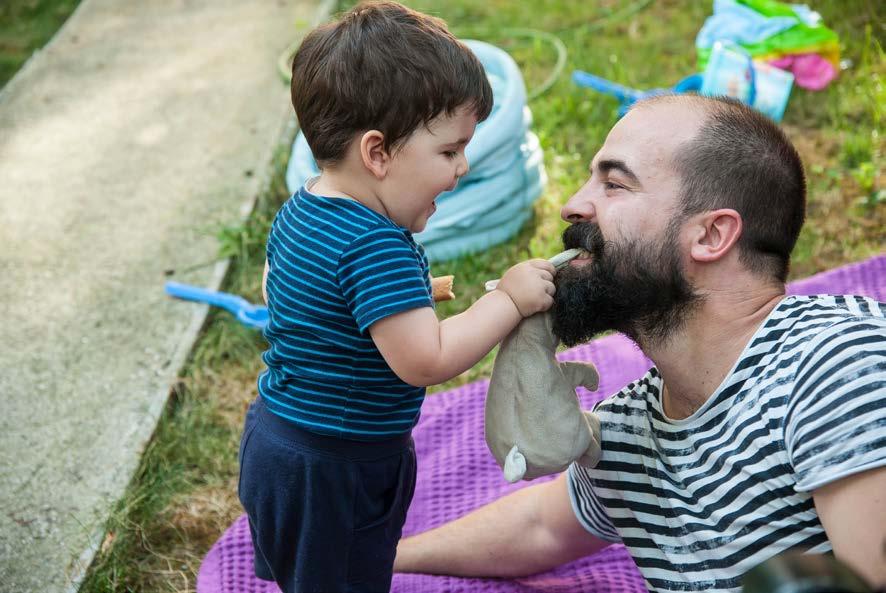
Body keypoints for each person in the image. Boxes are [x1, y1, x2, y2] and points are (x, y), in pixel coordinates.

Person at [393, 94, 886, 592]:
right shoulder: (628, 430)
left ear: (712, 235)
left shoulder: (835, 363)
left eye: (613, 183)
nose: (572, 206)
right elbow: (540, 527)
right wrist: (384, 559)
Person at [237, 2, 557, 592]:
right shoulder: (374, 244)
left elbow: (288, 293)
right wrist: (507, 302)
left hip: (281, 444)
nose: (462, 168)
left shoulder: (305, 206)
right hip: (337, 466)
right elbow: (424, 361)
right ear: (378, 153)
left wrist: (404, 300)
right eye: (449, 151)